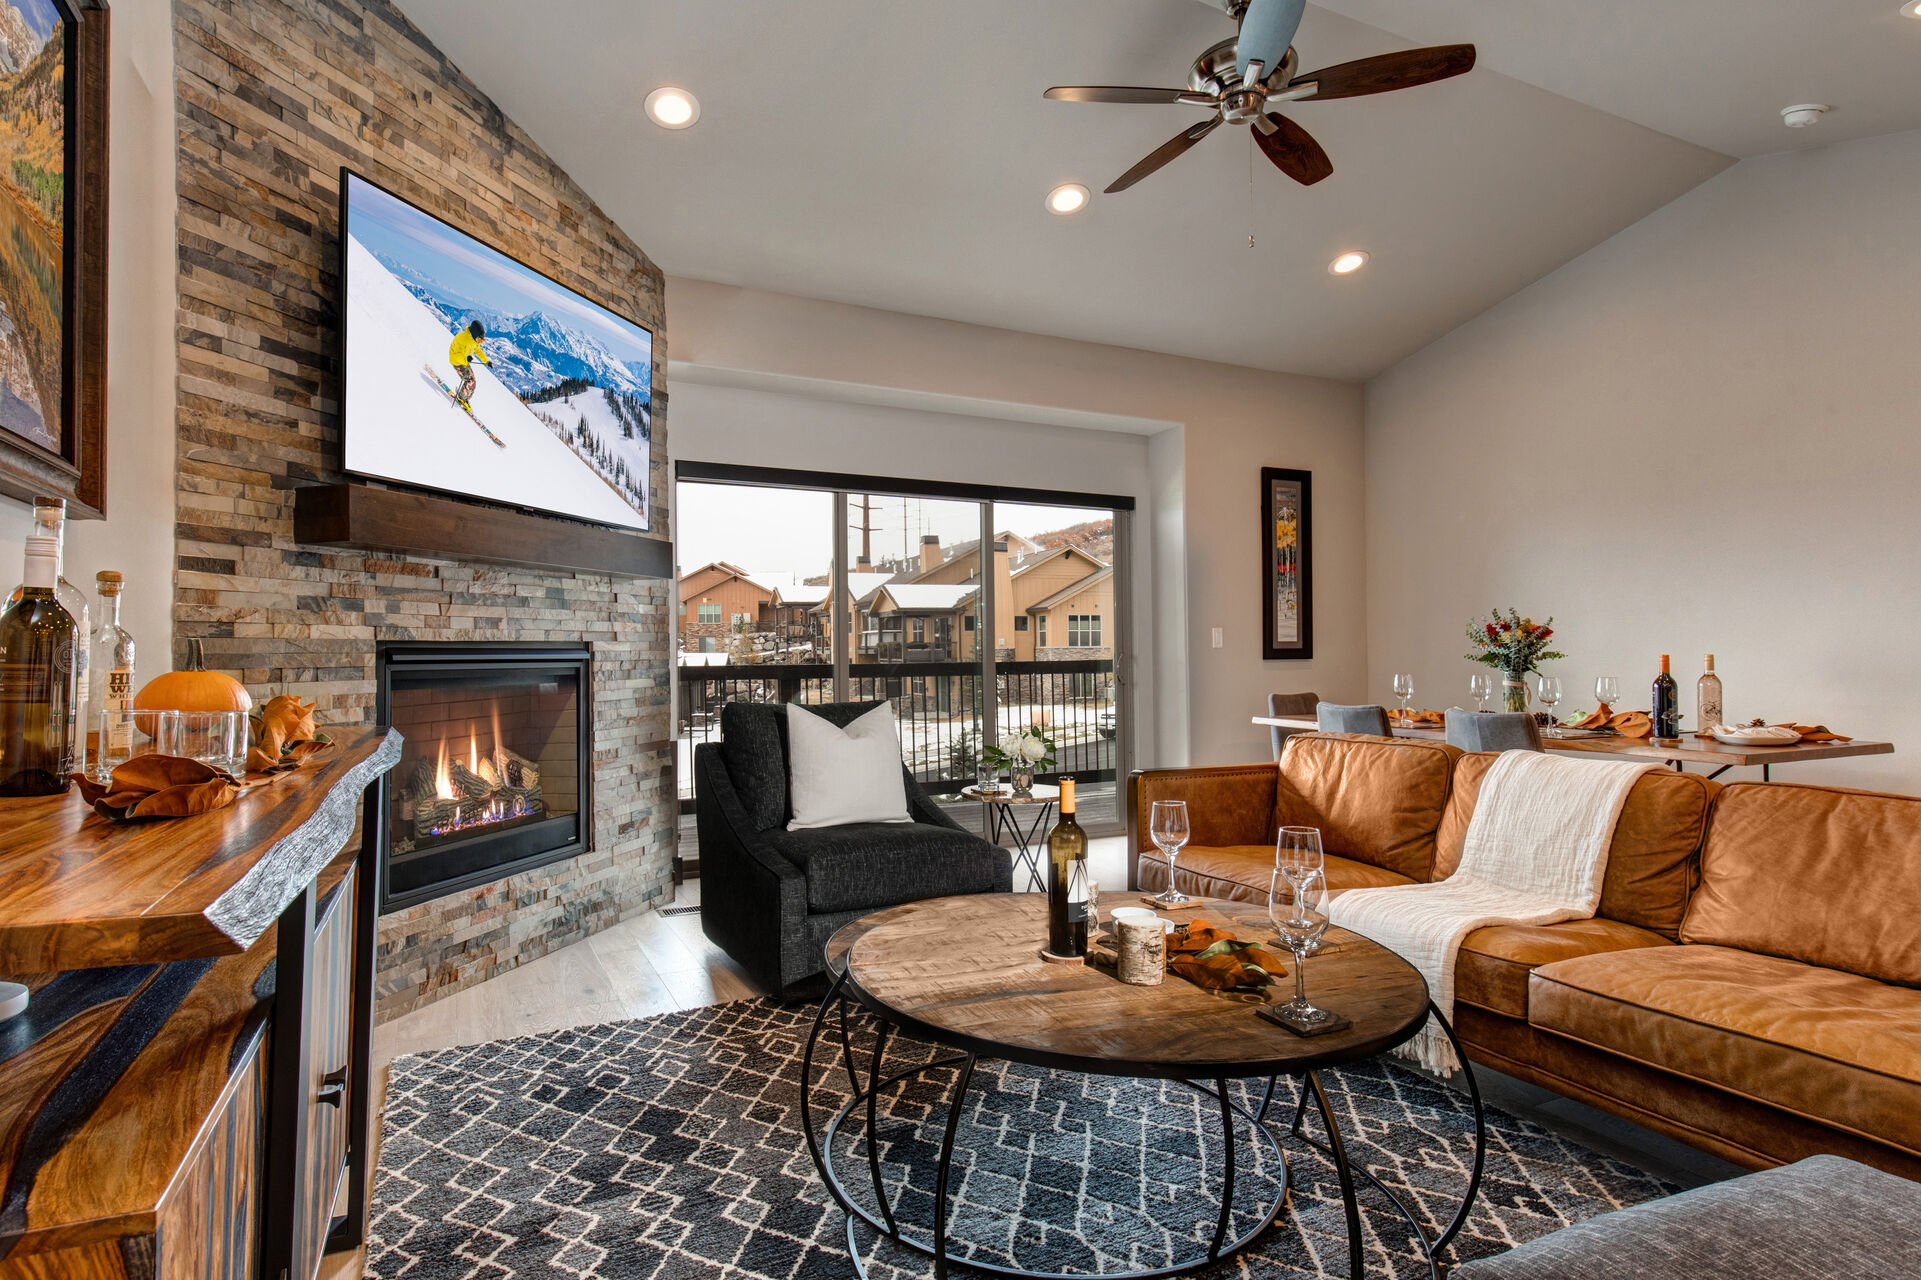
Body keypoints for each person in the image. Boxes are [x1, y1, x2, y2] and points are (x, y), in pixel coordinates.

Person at [448, 319, 491, 410]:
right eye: (479, 340)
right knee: (470, 381)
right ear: (475, 334)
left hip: (464, 361)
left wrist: (486, 361)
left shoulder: (474, 340)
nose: (479, 342)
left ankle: (464, 398)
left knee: (472, 381)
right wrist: (465, 359)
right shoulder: (463, 339)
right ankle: (461, 398)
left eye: (481, 341)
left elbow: (478, 350)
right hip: (457, 362)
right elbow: (455, 355)